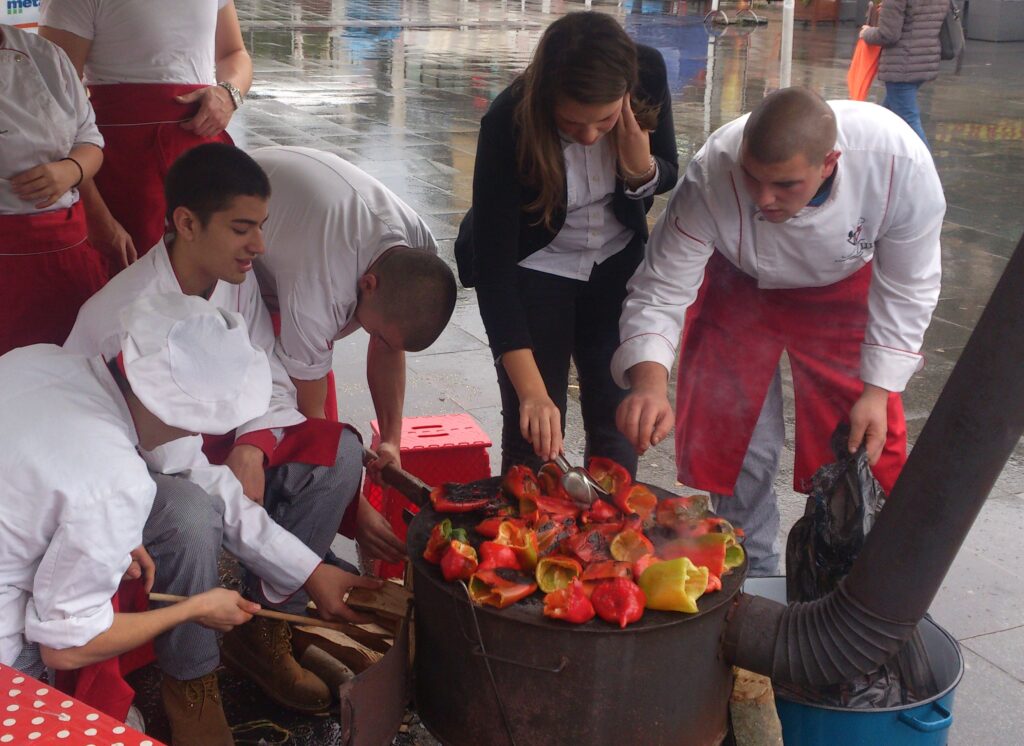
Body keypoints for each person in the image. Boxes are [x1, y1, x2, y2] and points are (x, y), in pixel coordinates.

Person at [65, 144, 404, 723]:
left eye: (263, 227)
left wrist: (254, 442)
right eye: (243, 228)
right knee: (194, 514)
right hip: (138, 460)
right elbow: (185, 464)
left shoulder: (232, 276)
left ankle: (266, 628)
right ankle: (192, 682)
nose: (261, 247)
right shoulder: (131, 318)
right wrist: (309, 564)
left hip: (212, 437)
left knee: (340, 453)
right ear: (187, 223)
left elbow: (268, 376)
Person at [2, 293, 381, 745]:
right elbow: (66, 645)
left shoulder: (42, 360)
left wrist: (309, 570)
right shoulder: (114, 481)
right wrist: (195, 607)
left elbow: (195, 479)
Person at [613, 88, 944, 575]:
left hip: (843, 289)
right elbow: (662, 283)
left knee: (860, 443)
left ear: (829, 162)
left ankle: (851, 573)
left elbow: (909, 285)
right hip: (739, 285)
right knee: (734, 437)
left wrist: (879, 389)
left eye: (785, 185)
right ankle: (751, 572)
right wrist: (648, 384)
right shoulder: (714, 170)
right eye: (752, 179)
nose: (763, 198)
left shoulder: (898, 164)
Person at [456, 11, 678, 476]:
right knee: (532, 438)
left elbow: (666, 171)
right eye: (571, 123)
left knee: (617, 431)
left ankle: (613, 537)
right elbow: (495, 274)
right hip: (535, 266)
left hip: (615, 263)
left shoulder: (648, 73)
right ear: (546, 97)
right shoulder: (507, 121)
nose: (590, 135)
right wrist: (533, 394)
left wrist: (641, 168)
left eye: (604, 119)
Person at [249, 145, 458, 476]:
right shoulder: (318, 283)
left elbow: (390, 346)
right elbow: (310, 412)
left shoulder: (419, 246)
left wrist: (391, 441)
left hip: (298, 201)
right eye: (376, 334)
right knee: (275, 405)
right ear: (369, 284)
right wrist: (352, 502)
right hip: (231, 206)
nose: (378, 341)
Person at [39, 0, 252, 267]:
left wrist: (229, 93)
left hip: (202, 157)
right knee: (130, 284)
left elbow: (234, 52)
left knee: (214, 279)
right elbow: (52, 103)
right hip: (124, 166)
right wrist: (96, 217)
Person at [0, 24, 109, 355]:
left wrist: (71, 170)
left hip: (65, 254)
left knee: (69, 371)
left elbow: (89, 139)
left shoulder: (45, 55)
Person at [860, 0, 948, 147]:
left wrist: (867, 32)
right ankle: (875, 155)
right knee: (886, 117)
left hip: (902, 65)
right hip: (924, 59)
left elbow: (888, 35)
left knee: (909, 122)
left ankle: (926, 167)